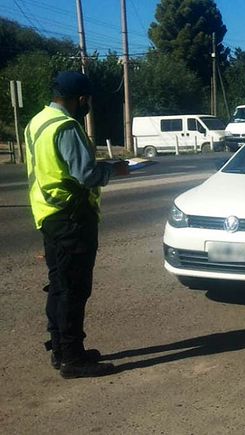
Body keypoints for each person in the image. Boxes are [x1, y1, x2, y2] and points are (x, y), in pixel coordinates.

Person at [25, 71, 116, 378]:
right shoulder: (67, 127)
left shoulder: (37, 122)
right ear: (79, 99)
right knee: (74, 289)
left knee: (59, 285)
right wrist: (111, 171)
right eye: (86, 100)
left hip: (48, 214)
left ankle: (60, 349)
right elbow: (85, 175)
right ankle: (73, 358)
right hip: (71, 216)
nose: (87, 105)